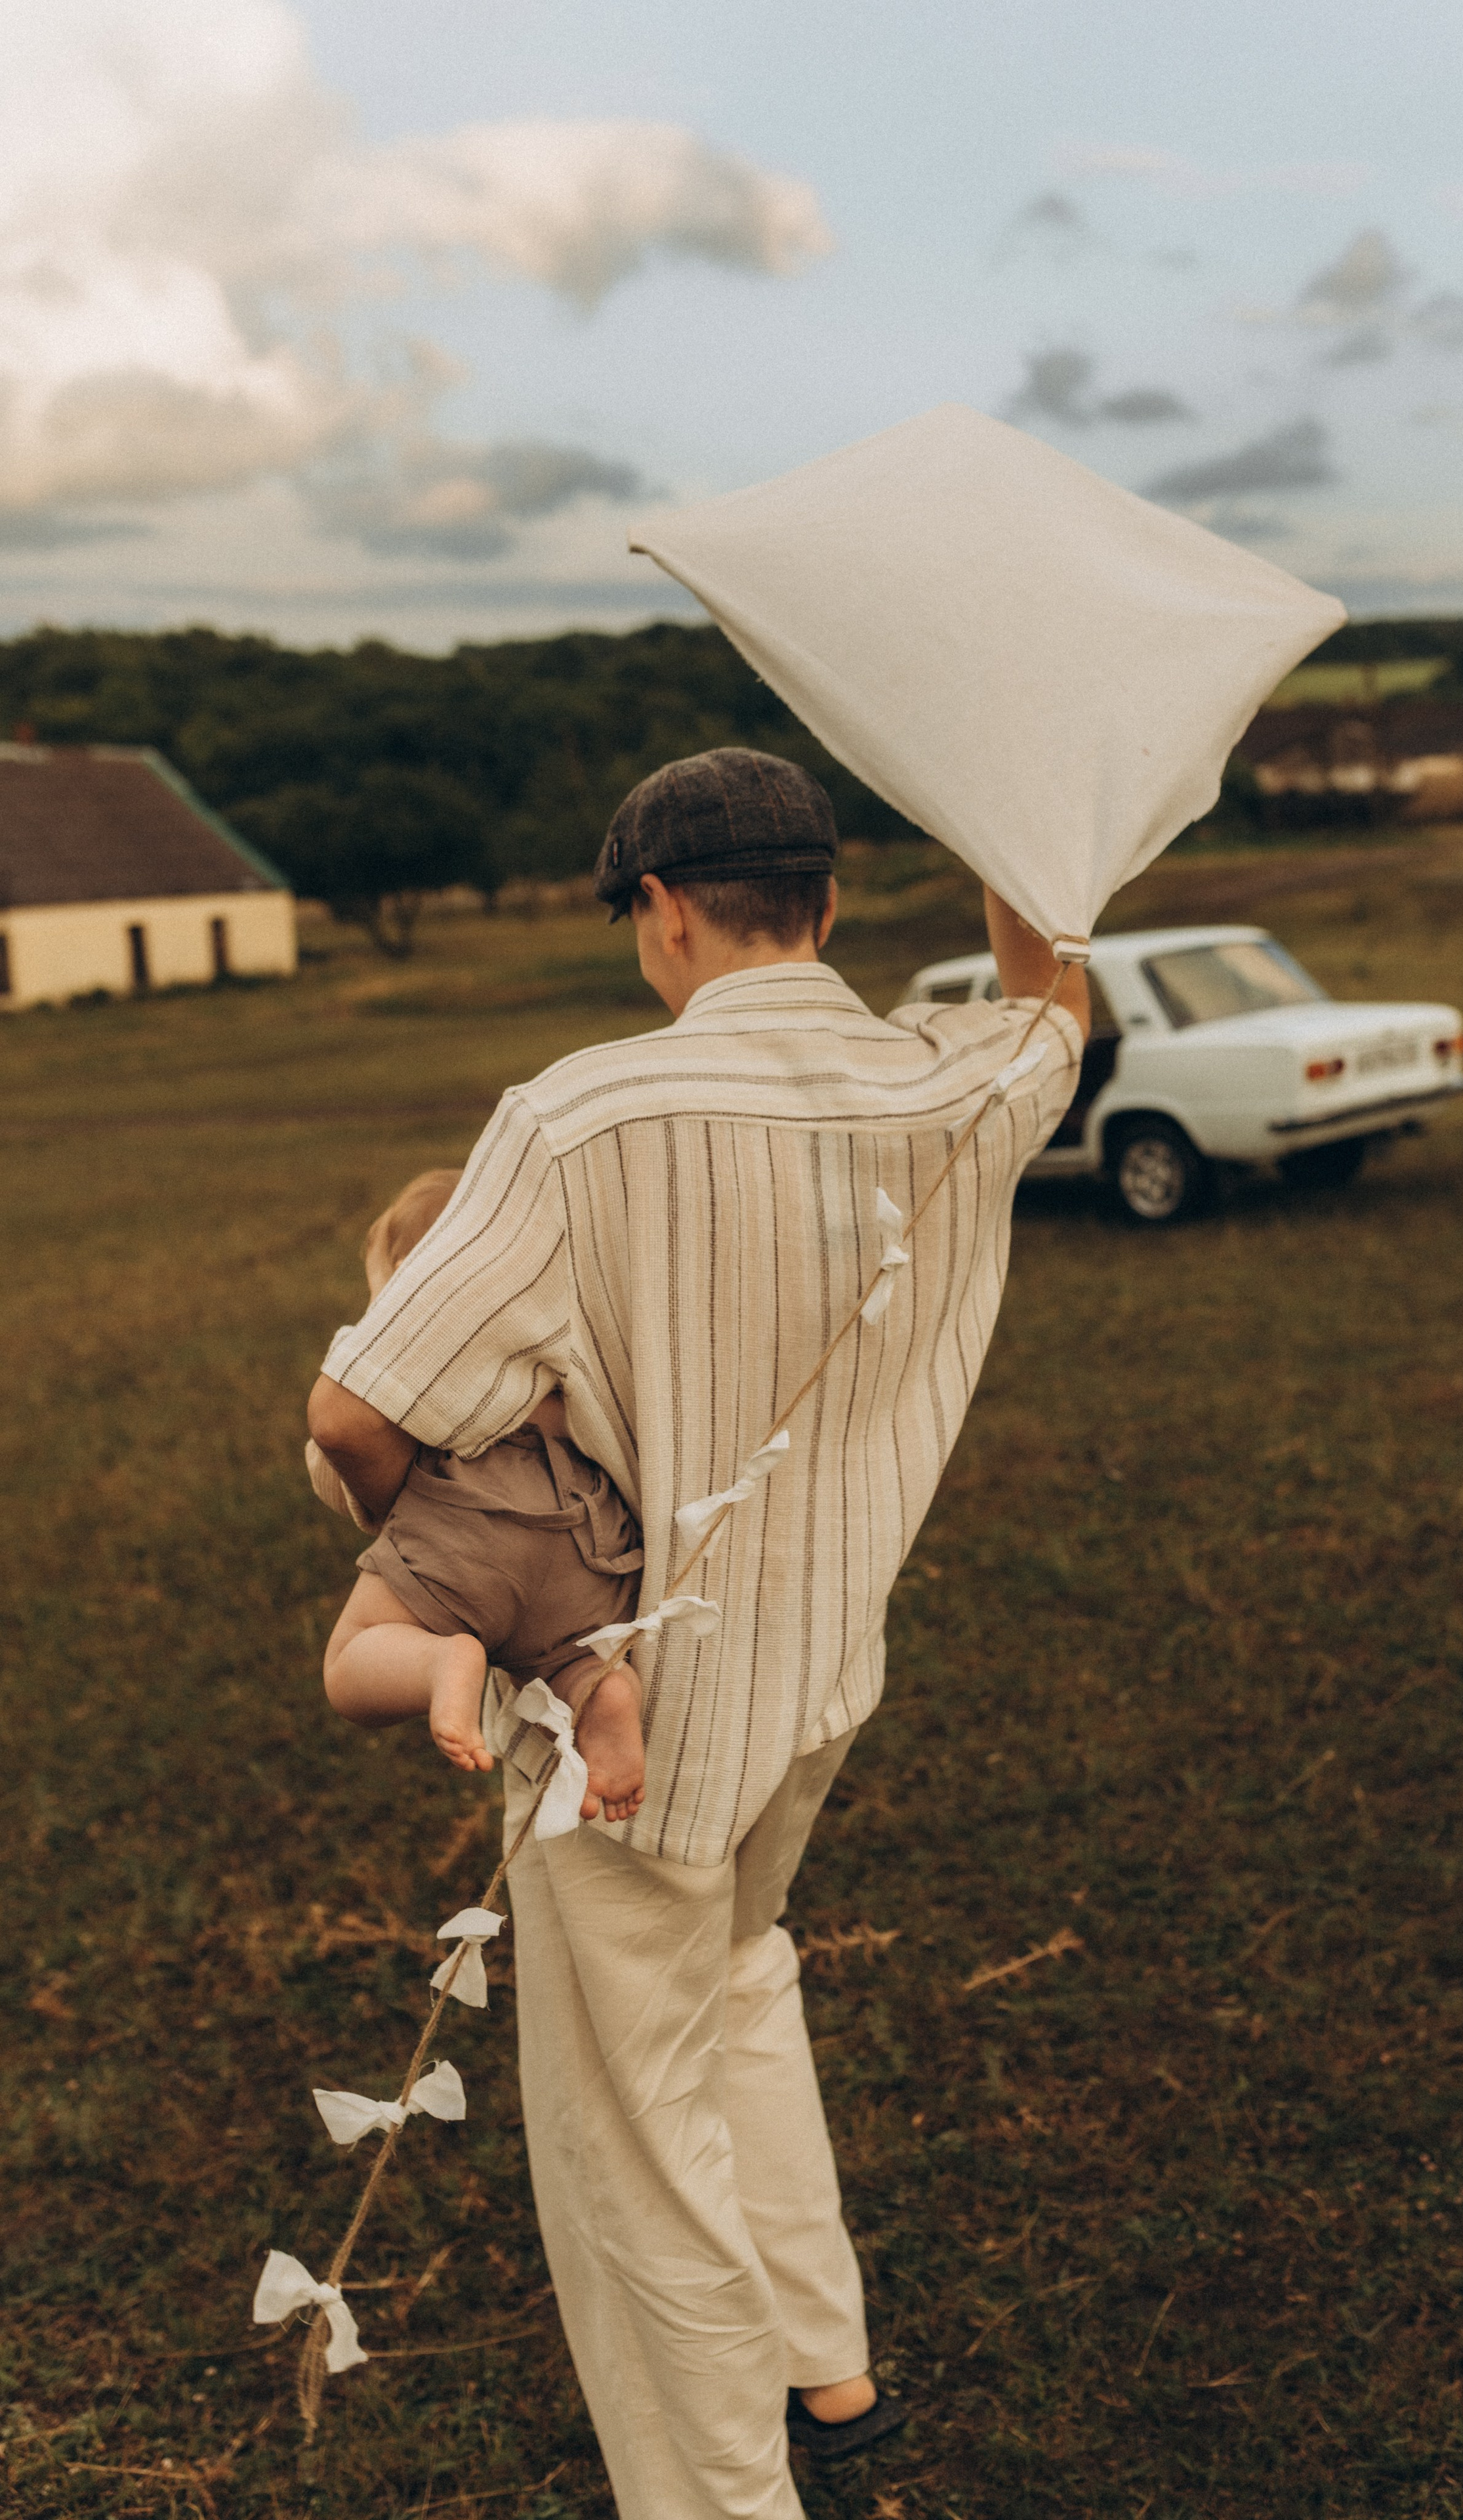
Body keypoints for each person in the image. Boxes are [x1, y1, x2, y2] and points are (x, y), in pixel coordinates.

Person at [306, 746, 1090, 2519]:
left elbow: (356, 1409)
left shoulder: (579, 1120)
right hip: (816, 1694)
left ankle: (726, 2504)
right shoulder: (959, 1084)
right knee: (744, 1991)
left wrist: (432, 1562)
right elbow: (1056, 996)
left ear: (662, 910)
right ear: (825, 898)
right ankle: (835, 2373)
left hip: (621, 1736)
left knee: (631, 2153)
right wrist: (1014, 794)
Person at [306, 1167, 648, 1822]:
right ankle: (596, 1692)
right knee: (565, 1656)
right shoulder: (558, 1335)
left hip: (471, 1527)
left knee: (349, 1666)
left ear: (409, 1274)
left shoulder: (400, 1347)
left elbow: (337, 1455)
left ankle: (441, 1659)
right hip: (586, 1536)